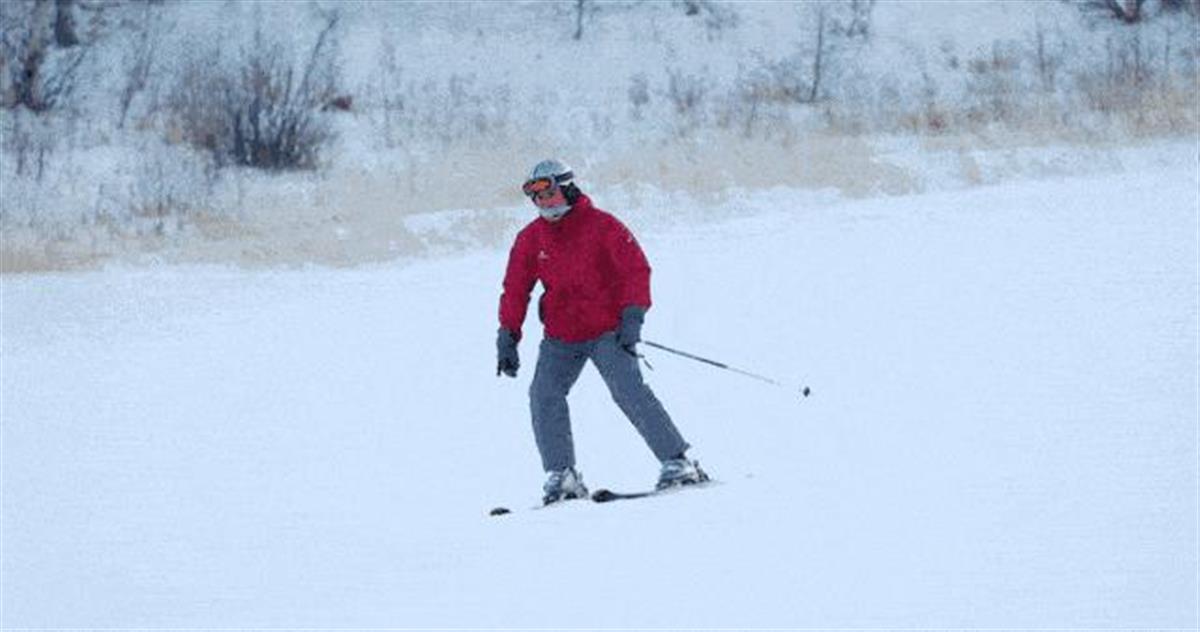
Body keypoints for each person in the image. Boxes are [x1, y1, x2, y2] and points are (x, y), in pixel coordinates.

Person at [496, 159, 708, 505]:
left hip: (608, 331)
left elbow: (635, 271)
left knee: (628, 391)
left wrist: (632, 318)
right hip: (561, 337)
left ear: (566, 189)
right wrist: (508, 335)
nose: (544, 203)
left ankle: (678, 463)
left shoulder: (602, 226)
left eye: (550, 193)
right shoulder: (530, 239)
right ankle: (561, 476)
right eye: (537, 198)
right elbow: (515, 289)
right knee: (543, 396)